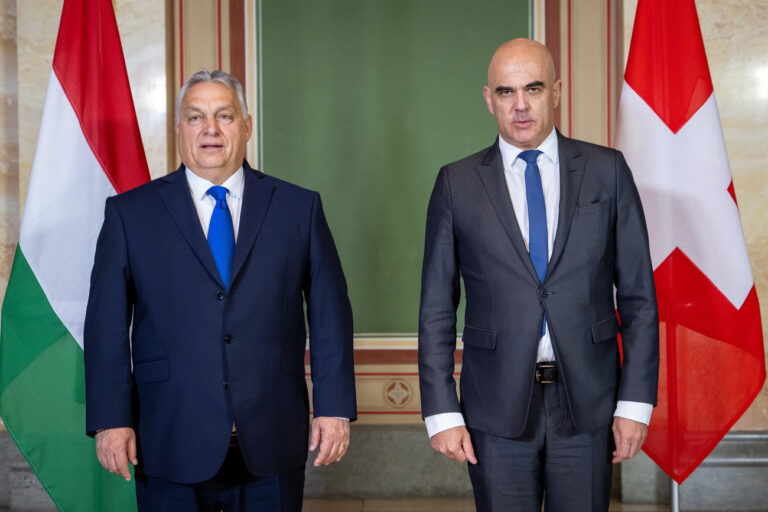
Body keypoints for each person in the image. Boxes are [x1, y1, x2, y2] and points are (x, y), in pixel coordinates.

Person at [84, 70, 356, 511]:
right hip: (168, 437)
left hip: (272, 436)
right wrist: (111, 419)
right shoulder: (129, 214)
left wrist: (334, 407)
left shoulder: (298, 208)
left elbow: (329, 314)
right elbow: (105, 327)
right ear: (178, 130)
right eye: (195, 118)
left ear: (246, 127)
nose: (210, 129)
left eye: (224, 115)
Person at [418, 39, 659, 511]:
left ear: (557, 92)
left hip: (588, 406)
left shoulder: (607, 172)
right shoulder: (457, 183)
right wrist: (442, 412)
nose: (521, 105)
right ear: (489, 99)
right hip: (495, 408)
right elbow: (435, 308)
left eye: (533, 88)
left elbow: (638, 298)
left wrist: (634, 405)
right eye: (507, 92)